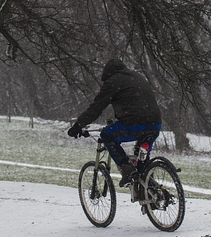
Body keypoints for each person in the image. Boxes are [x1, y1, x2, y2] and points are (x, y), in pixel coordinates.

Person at [68, 58, 162, 187]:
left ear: (108, 73)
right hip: (155, 123)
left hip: (135, 124)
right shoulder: (137, 76)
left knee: (107, 135)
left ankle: (126, 169)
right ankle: (150, 192)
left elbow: (97, 107)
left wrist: (79, 125)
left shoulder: (113, 81)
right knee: (142, 162)